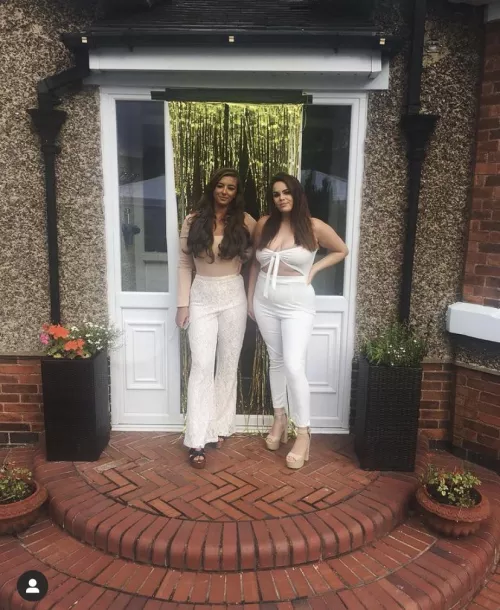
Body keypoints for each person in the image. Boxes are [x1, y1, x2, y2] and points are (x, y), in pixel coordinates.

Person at [247, 172, 348, 470]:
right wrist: (251, 298)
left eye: (287, 192)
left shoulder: (313, 226)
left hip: (297, 304)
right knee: (276, 361)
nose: (282, 198)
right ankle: (279, 418)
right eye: (276, 194)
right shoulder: (265, 224)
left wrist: (314, 269)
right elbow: (254, 264)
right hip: (264, 300)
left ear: (297, 194)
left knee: (293, 365)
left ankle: (303, 433)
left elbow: (341, 250)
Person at [176, 168, 256, 468]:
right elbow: (184, 263)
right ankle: (196, 438)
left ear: (237, 192)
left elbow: (260, 256)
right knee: (201, 365)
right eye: (220, 186)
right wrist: (182, 304)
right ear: (212, 188)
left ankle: (219, 426)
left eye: (231, 187)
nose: (225, 191)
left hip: (233, 295)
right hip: (201, 296)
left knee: (228, 364)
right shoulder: (193, 220)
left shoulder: (246, 221)